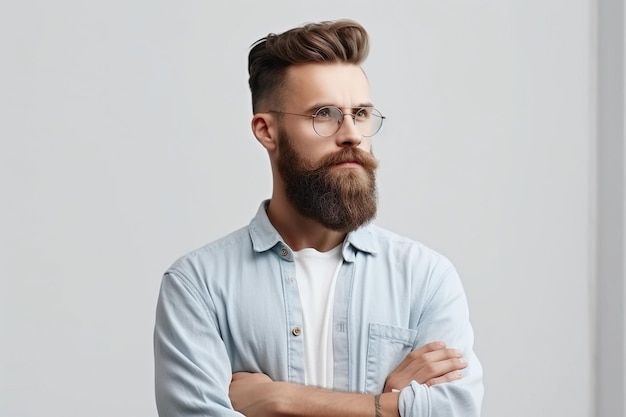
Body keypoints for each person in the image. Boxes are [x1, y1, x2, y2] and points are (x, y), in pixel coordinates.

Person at [154, 19, 483, 417]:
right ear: (266, 130)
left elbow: (456, 411)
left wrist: (279, 401)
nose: (352, 135)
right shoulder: (198, 286)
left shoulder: (425, 278)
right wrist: (392, 404)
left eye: (361, 113)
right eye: (324, 114)